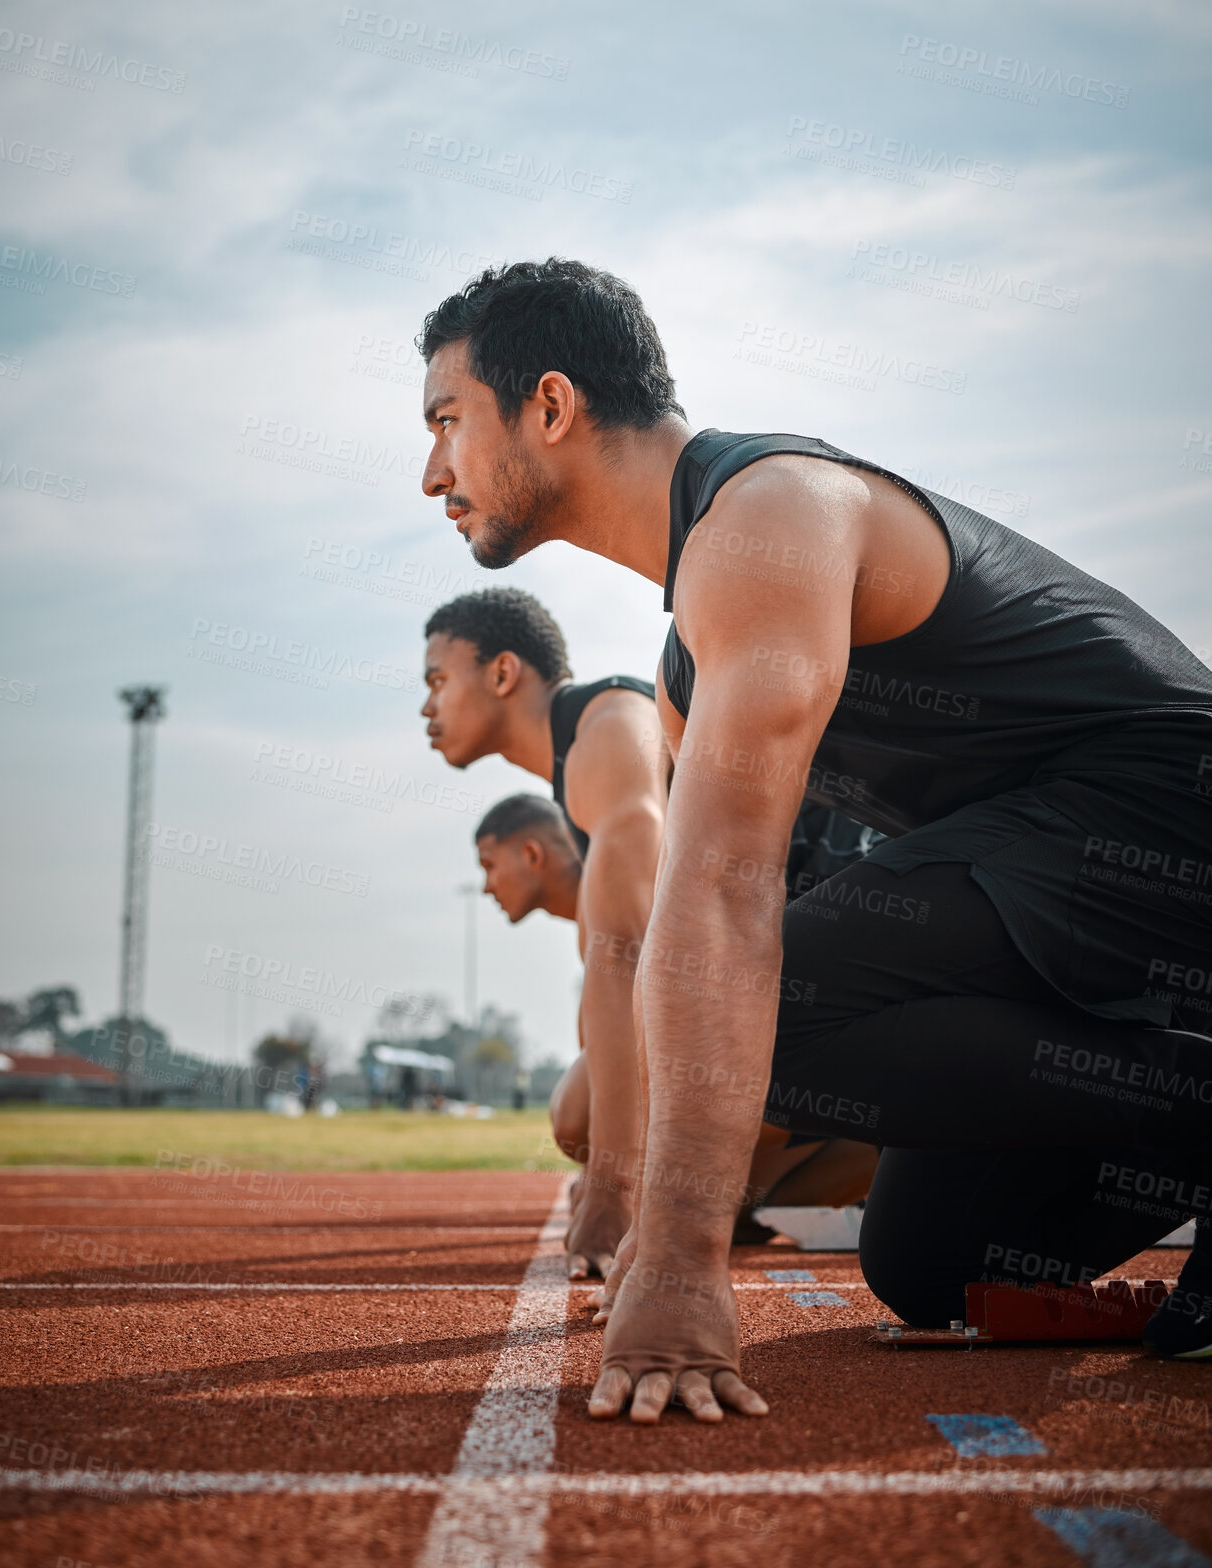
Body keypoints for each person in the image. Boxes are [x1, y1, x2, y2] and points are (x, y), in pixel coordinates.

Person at [415, 258, 1212, 1424]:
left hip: (1161, 816)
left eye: (446, 422)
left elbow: (728, 899)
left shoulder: (768, 513)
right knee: (937, 1265)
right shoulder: (686, 658)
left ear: (548, 405)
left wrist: (685, 1255)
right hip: (1048, 897)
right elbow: (719, 916)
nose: (431, 470)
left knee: (775, 990)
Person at [474, 791, 880, 1243]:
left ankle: (875, 1141)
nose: (485, 886)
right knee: (726, 1219)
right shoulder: (599, 925)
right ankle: (874, 1158)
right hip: (783, 1083)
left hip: (773, 1047)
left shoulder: (628, 875)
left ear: (532, 854)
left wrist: (613, 1182)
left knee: (576, 1115)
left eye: (488, 865)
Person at [422, 588, 668, 1280]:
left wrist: (613, 1193)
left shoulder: (613, 726)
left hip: (834, 975)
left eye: (438, 682)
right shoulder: (577, 780)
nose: (425, 709)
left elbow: (628, 957)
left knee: (579, 1114)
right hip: (777, 1001)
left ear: (502, 674)